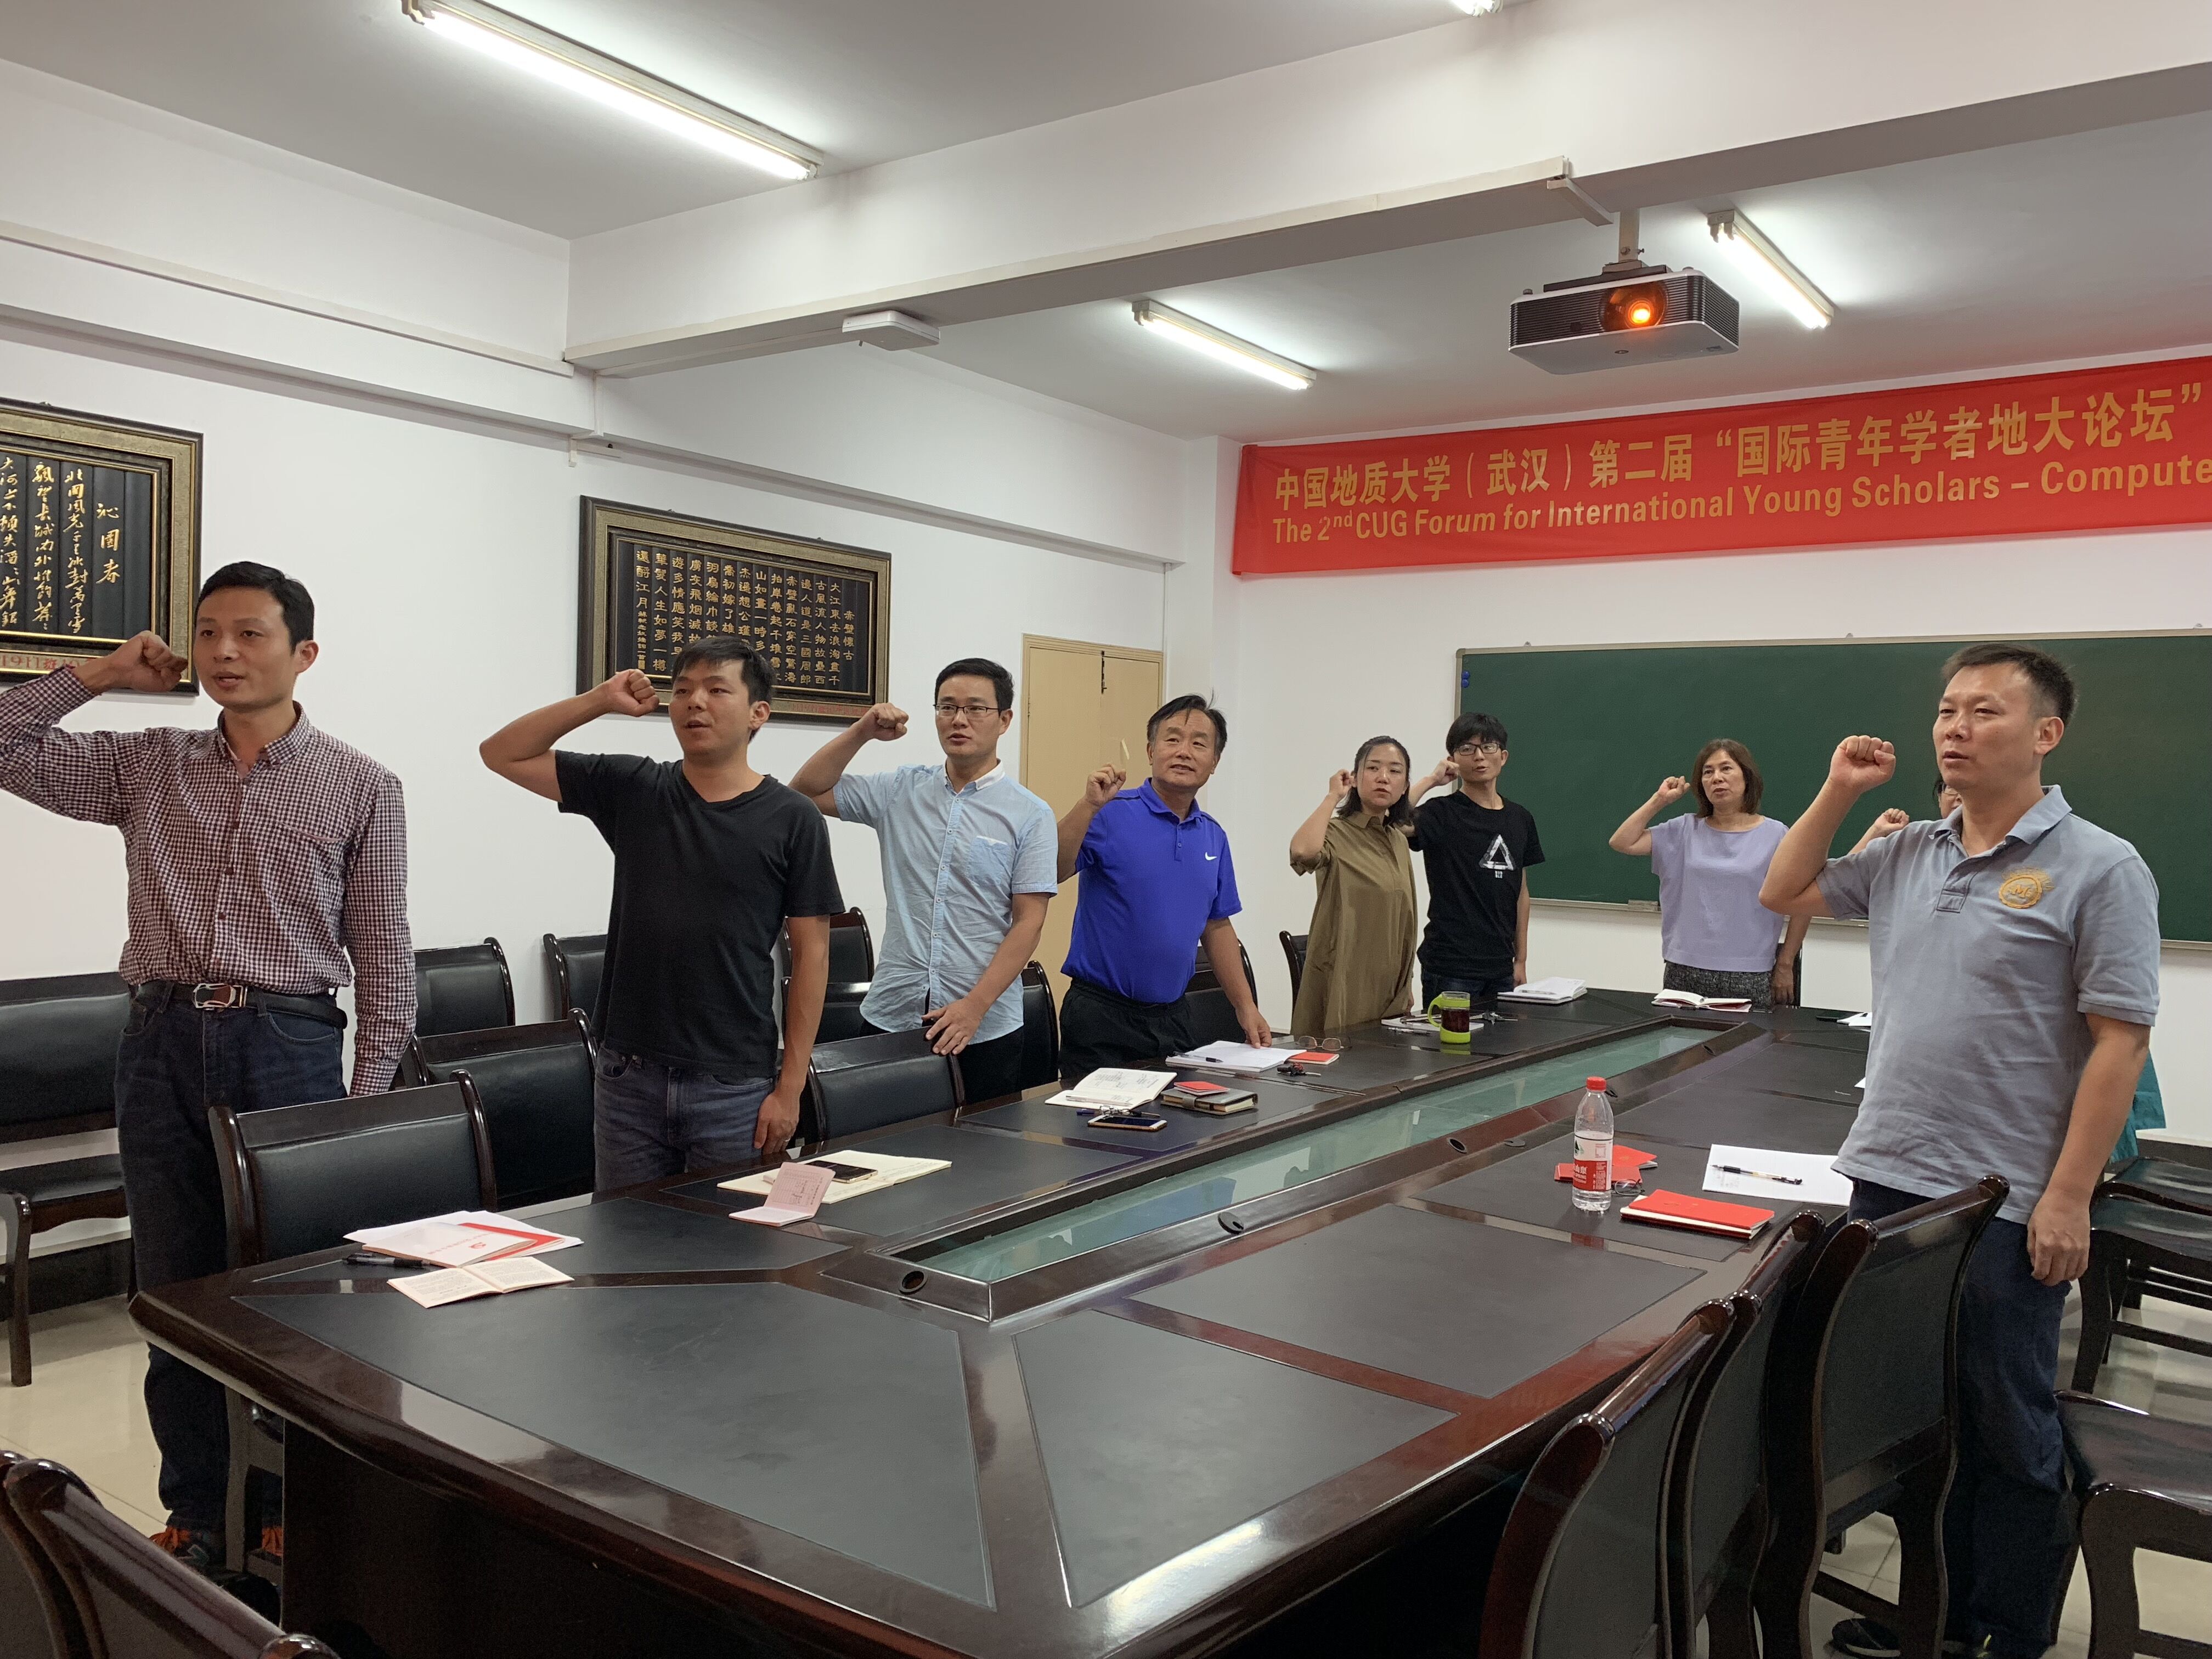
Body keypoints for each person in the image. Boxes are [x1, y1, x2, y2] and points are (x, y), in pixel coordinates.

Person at [0, 563, 413, 1573]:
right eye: (209, 632)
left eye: (252, 633)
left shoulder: (362, 784)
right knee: (174, 1286)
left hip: (288, 1042)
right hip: (160, 1040)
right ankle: (195, 1507)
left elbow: (383, 950)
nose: (226, 651)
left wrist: (364, 1105)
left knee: (290, 1291)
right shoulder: (148, 763)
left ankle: (285, 1502)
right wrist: (101, 673)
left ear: (303, 653)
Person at [1759, 642, 2158, 1659]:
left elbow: (2119, 1042)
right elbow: (1784, 890)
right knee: (1907, 1418)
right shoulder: (1908, 851)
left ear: (2045, 733)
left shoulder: (2100, 865)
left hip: (2004, 1198)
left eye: (1984, 710)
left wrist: (2066, 1197)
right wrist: (1839, 790)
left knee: (2004, 1423)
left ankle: (2006, 1631)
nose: (1955, 727)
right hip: (1888, 1173)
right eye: (1947, 709)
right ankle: (1932, 1617)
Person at [481, 636, 840, 1188]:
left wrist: (790, 1088)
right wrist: (600, 700)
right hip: (628, 1075)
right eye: (684, 689)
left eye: (717, 690)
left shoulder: (793, 819)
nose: (695, 702)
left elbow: (813, 956)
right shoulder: (636, 788)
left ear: (758, 713)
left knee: (729, 1238)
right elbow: (502, 753)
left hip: (733, 1082)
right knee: (625, 1237)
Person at [789, 657, 1055, 1103]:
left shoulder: (1030, 814)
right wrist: (862, 732)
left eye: (975, 708)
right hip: (894, 1011)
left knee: (980, 1145)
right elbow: (805, 792)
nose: (959, 720)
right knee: (879, 1140)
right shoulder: (900, 790)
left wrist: (974, 1007)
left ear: (1005, 720)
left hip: (984, 1025)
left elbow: (1029, 922)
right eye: (947, 707)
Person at [1053, 695, 1269, 1080]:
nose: (1184, 752)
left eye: (1199, 743)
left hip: (1173, 1017)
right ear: (1151, 750)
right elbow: (1051, 870)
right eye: (1172, 739)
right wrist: (1087, 806)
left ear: (1214, 762)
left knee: (1174, 1116)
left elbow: (1217, 926)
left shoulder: (1213, 836)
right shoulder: (1110, 812)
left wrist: (1245, 1006)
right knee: (1094, 1117)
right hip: (1101, 1015)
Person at [1607, 739, 1810, 1009]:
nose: (1717, 778)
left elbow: (1803, 903)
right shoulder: (1683, 830)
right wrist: (1659, 801)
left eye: (1726, 768)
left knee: (1747, 1039)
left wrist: (1785, 963)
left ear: (1747, 777)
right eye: (1708, 772)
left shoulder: (1777, 835)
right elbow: (1622, 842)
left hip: (1749, 972)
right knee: (1680, 1037)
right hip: (1683, 968)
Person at [1407, 712, 1542, 1006]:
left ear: (1503, 757)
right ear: (1453, 760)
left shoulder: (1520, 818)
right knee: (1448, 1038)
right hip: (1451, 966)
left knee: (1505, 1038)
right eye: (1467, 749)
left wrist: (1521, 959)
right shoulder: (1440, 812)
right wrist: (1431, 781)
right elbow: (1393, 821)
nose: (1479, 757)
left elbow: (1521, 893)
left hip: (1501, 968)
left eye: (1488, 747)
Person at [1287, 736, 1418, 1034]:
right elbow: (1302, 852)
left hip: (1390, 986)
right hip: (1344, 981)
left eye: (1395, 771)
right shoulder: (1335, 832)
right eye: (1373, 768)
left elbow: (1404, 919)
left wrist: (1406, 983)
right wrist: (1333, 796)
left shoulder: (1397, 840)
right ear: (1356, 779)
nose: (1383, 777)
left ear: (1405, 786)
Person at [1849, 775, 1965, 853]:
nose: (1960, 797)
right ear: (1939, 798)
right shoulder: (1916, 841)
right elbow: (1844, 877)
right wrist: (1877, 831)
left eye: (1968, 788)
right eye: (1952, 787)